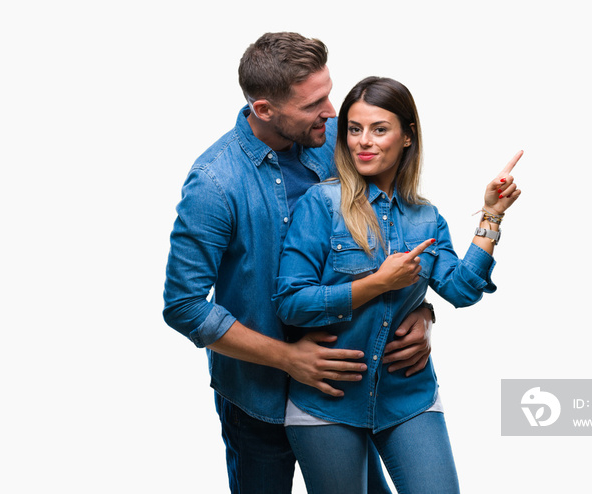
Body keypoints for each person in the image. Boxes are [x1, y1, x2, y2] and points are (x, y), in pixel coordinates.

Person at [162, 33, 435, 493]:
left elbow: (397, 226)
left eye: (329, 93)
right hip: (259, 400)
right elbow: (184, 306)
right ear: (264, 110)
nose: (332, 111)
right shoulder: (214, 182)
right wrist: (289, 359)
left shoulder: (336, 140)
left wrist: (422, 314)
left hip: (346, 388)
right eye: (314, 104)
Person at [272, 76, 522, 494]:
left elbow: (461, 290)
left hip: (407, 396)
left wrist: (491, 217)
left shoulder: (425, 217)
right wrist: (376, 284)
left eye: (379, 129)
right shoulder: (322, 204)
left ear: (407, 137)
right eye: (354, 129)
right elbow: (291, 304)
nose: (363, 142)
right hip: (327, 399)